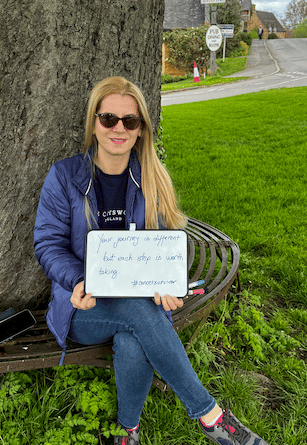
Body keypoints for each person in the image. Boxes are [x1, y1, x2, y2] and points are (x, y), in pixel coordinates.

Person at [33, 77, 269, 445]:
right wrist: (78, 280)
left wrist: (167, 284)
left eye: (130, 121)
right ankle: (211, 418)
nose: (118, 129)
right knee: (137, 312)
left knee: (133, 335)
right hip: (82, 305)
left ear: (141, 129)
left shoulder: (152, 177)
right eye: (109, 118)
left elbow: (162, 248)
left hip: (140, 303)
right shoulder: (65, 176)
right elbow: (48, 244)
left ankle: (127, 434)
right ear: (93, 123)